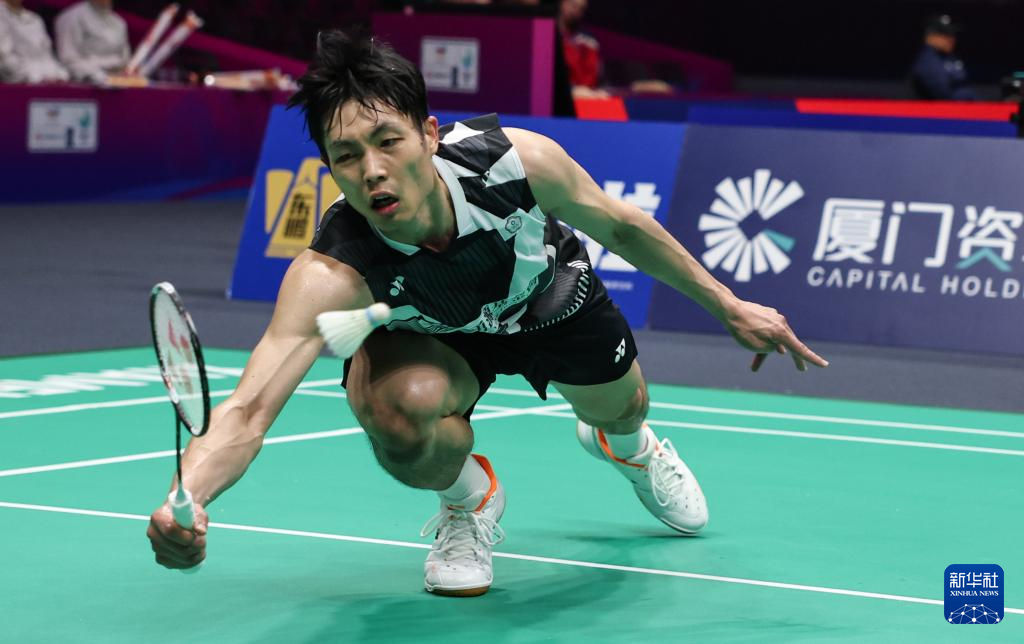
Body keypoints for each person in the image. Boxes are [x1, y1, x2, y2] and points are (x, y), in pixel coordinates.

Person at [146, 30, 828, 597]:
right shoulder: (333, 271)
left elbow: (620, 226)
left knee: (624, 409)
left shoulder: (513, 162)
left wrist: (727, 304)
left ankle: (629, 449)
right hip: (437, 341)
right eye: (347, 156)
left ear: (429, 134)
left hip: (546, 300)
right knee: (398, 418)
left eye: (388, 141)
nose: (372, 170)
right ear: (330, 167)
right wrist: (188, 497)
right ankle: (468, 500)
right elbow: (247, 412)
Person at [54, 0, 130, 85]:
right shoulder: (71, 17)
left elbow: (125, 59)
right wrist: (95, 75)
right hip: (84, 83)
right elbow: (68, 59)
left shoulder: (119, 22)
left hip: (119, 81)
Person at [0, 0, 70, 84]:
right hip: (15, 85)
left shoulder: (35, 18)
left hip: (42, 80)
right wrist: (38, 76)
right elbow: (6, 62)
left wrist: (58, 73)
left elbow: (47, 55)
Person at [909, 14, 977, 101]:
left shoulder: (950, 57)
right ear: (930, 36)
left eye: (952, 34)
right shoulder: (926, 62)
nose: (951, 39)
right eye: (945, 34)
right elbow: (945, 96)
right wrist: (969, 95)